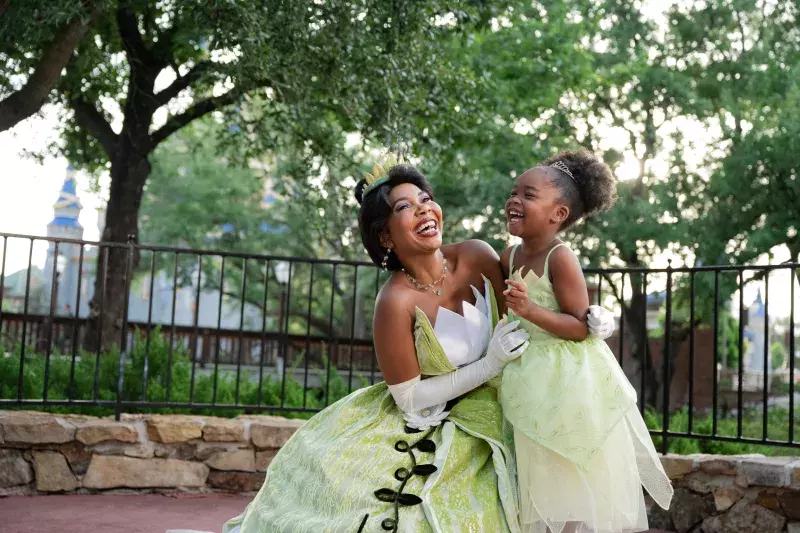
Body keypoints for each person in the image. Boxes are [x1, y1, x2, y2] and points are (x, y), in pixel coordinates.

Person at [219, 159, 616, 533]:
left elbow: (538, 296)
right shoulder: (394, 303)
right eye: (405, 207)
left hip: (513, 405)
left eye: (426, 199)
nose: (425, 210)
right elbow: (410, 398)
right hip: (434, 417)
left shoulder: (480, 256)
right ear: (385, 235)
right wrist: (487, 366)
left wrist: (592, 317)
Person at [499, 149, 673, 533]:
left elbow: (580, 327)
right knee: (532, 471)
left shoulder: (561, 258)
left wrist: (531, 311)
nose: (514, 199)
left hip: (564, 381)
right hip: (523, 375)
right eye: (514, 192)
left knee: (566, 474)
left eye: (528, 195)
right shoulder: (508, 255)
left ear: (558, 214)